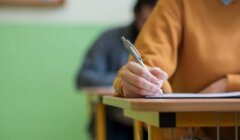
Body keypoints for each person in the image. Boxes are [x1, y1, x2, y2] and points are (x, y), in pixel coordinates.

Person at [114, 0, 240, 139]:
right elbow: (150, 61)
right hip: (185, 133)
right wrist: (139, 80)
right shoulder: (176, 3)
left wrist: (227, 85)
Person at [76, 0, 157, 140]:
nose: (150, 29)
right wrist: (123, 80)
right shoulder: (109, 38)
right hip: (118, 122)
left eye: (156, 24)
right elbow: (84, 77)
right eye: (145, 21)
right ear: (136, 16)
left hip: (155, 120)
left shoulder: (170, 41)